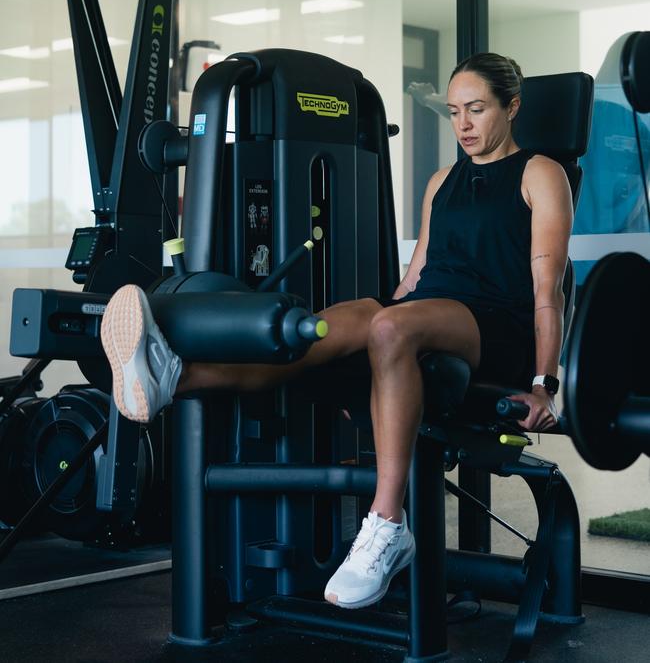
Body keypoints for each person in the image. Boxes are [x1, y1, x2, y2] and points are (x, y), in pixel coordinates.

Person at [100, 52, 573, 611]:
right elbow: (415, 277)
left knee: (391, 325)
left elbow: (549, 290)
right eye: (453, 113)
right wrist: (366, 355)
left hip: (494, 325)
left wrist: (545, 381)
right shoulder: (442, 181)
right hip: (424, 311)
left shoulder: (541, 172)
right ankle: (175, 376)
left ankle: (386, 525)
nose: (464, 125)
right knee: (318, 327)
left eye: (477, 110)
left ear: (511, 107)